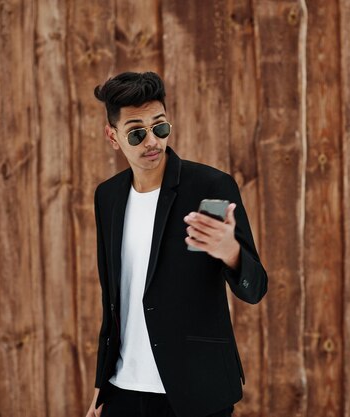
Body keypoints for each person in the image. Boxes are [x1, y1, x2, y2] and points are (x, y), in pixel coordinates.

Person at [84, 71, 268, 417]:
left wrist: (230, 252)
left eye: (160, 127)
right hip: (124, 391)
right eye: (137, 133)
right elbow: (113, 300)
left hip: (197, 392)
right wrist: (101, 384)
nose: (152, 141)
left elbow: (255, 288)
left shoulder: (209, 187)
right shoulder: (107, 197)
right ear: (113, 137)